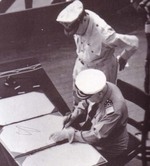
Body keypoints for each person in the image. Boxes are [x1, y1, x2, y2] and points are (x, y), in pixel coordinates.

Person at [49, 69, 129, 165]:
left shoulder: (113, 109)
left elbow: (97, 136)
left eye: (89, 97)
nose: (87, 99)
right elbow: (86, 102)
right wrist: (73, 116)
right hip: (95, 130)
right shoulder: (99, 86)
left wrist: (69, 134)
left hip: (108, 147)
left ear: (100, 94)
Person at [56, 0, 139, 83]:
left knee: (101, 95)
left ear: (84, 20)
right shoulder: (82, 15)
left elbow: (133, 43)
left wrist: (123, 58)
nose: (75, 33)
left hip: (101, 71)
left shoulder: (106, 36)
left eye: (75, 30)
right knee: (79, 93)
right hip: (81, 65)